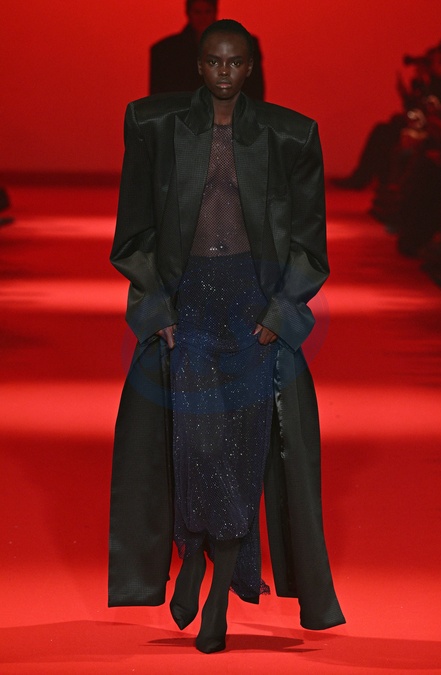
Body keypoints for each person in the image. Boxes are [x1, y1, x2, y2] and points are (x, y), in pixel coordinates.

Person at [109, 19, 345, 654]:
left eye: (234, 62)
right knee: (197, 445)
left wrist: (280, 313)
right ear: (199, 65)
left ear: (250, 68)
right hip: (189, 308)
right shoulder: (154, 125)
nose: (223, 72)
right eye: (213, 61)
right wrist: (157, 306)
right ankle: (194, 556)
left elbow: (310, 243)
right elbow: (133, 232)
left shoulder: (290, 135)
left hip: (251, 312)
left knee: (242, 453)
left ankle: (217, 593)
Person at [149, 0, 265, 100]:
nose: (202, 17)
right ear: (188, 13)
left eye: (207, 11)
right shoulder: (165, 51)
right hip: (181, 114)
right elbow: (159, 98)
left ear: (215, 12)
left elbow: (254, 90)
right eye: (197, 12)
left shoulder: (245, 45)